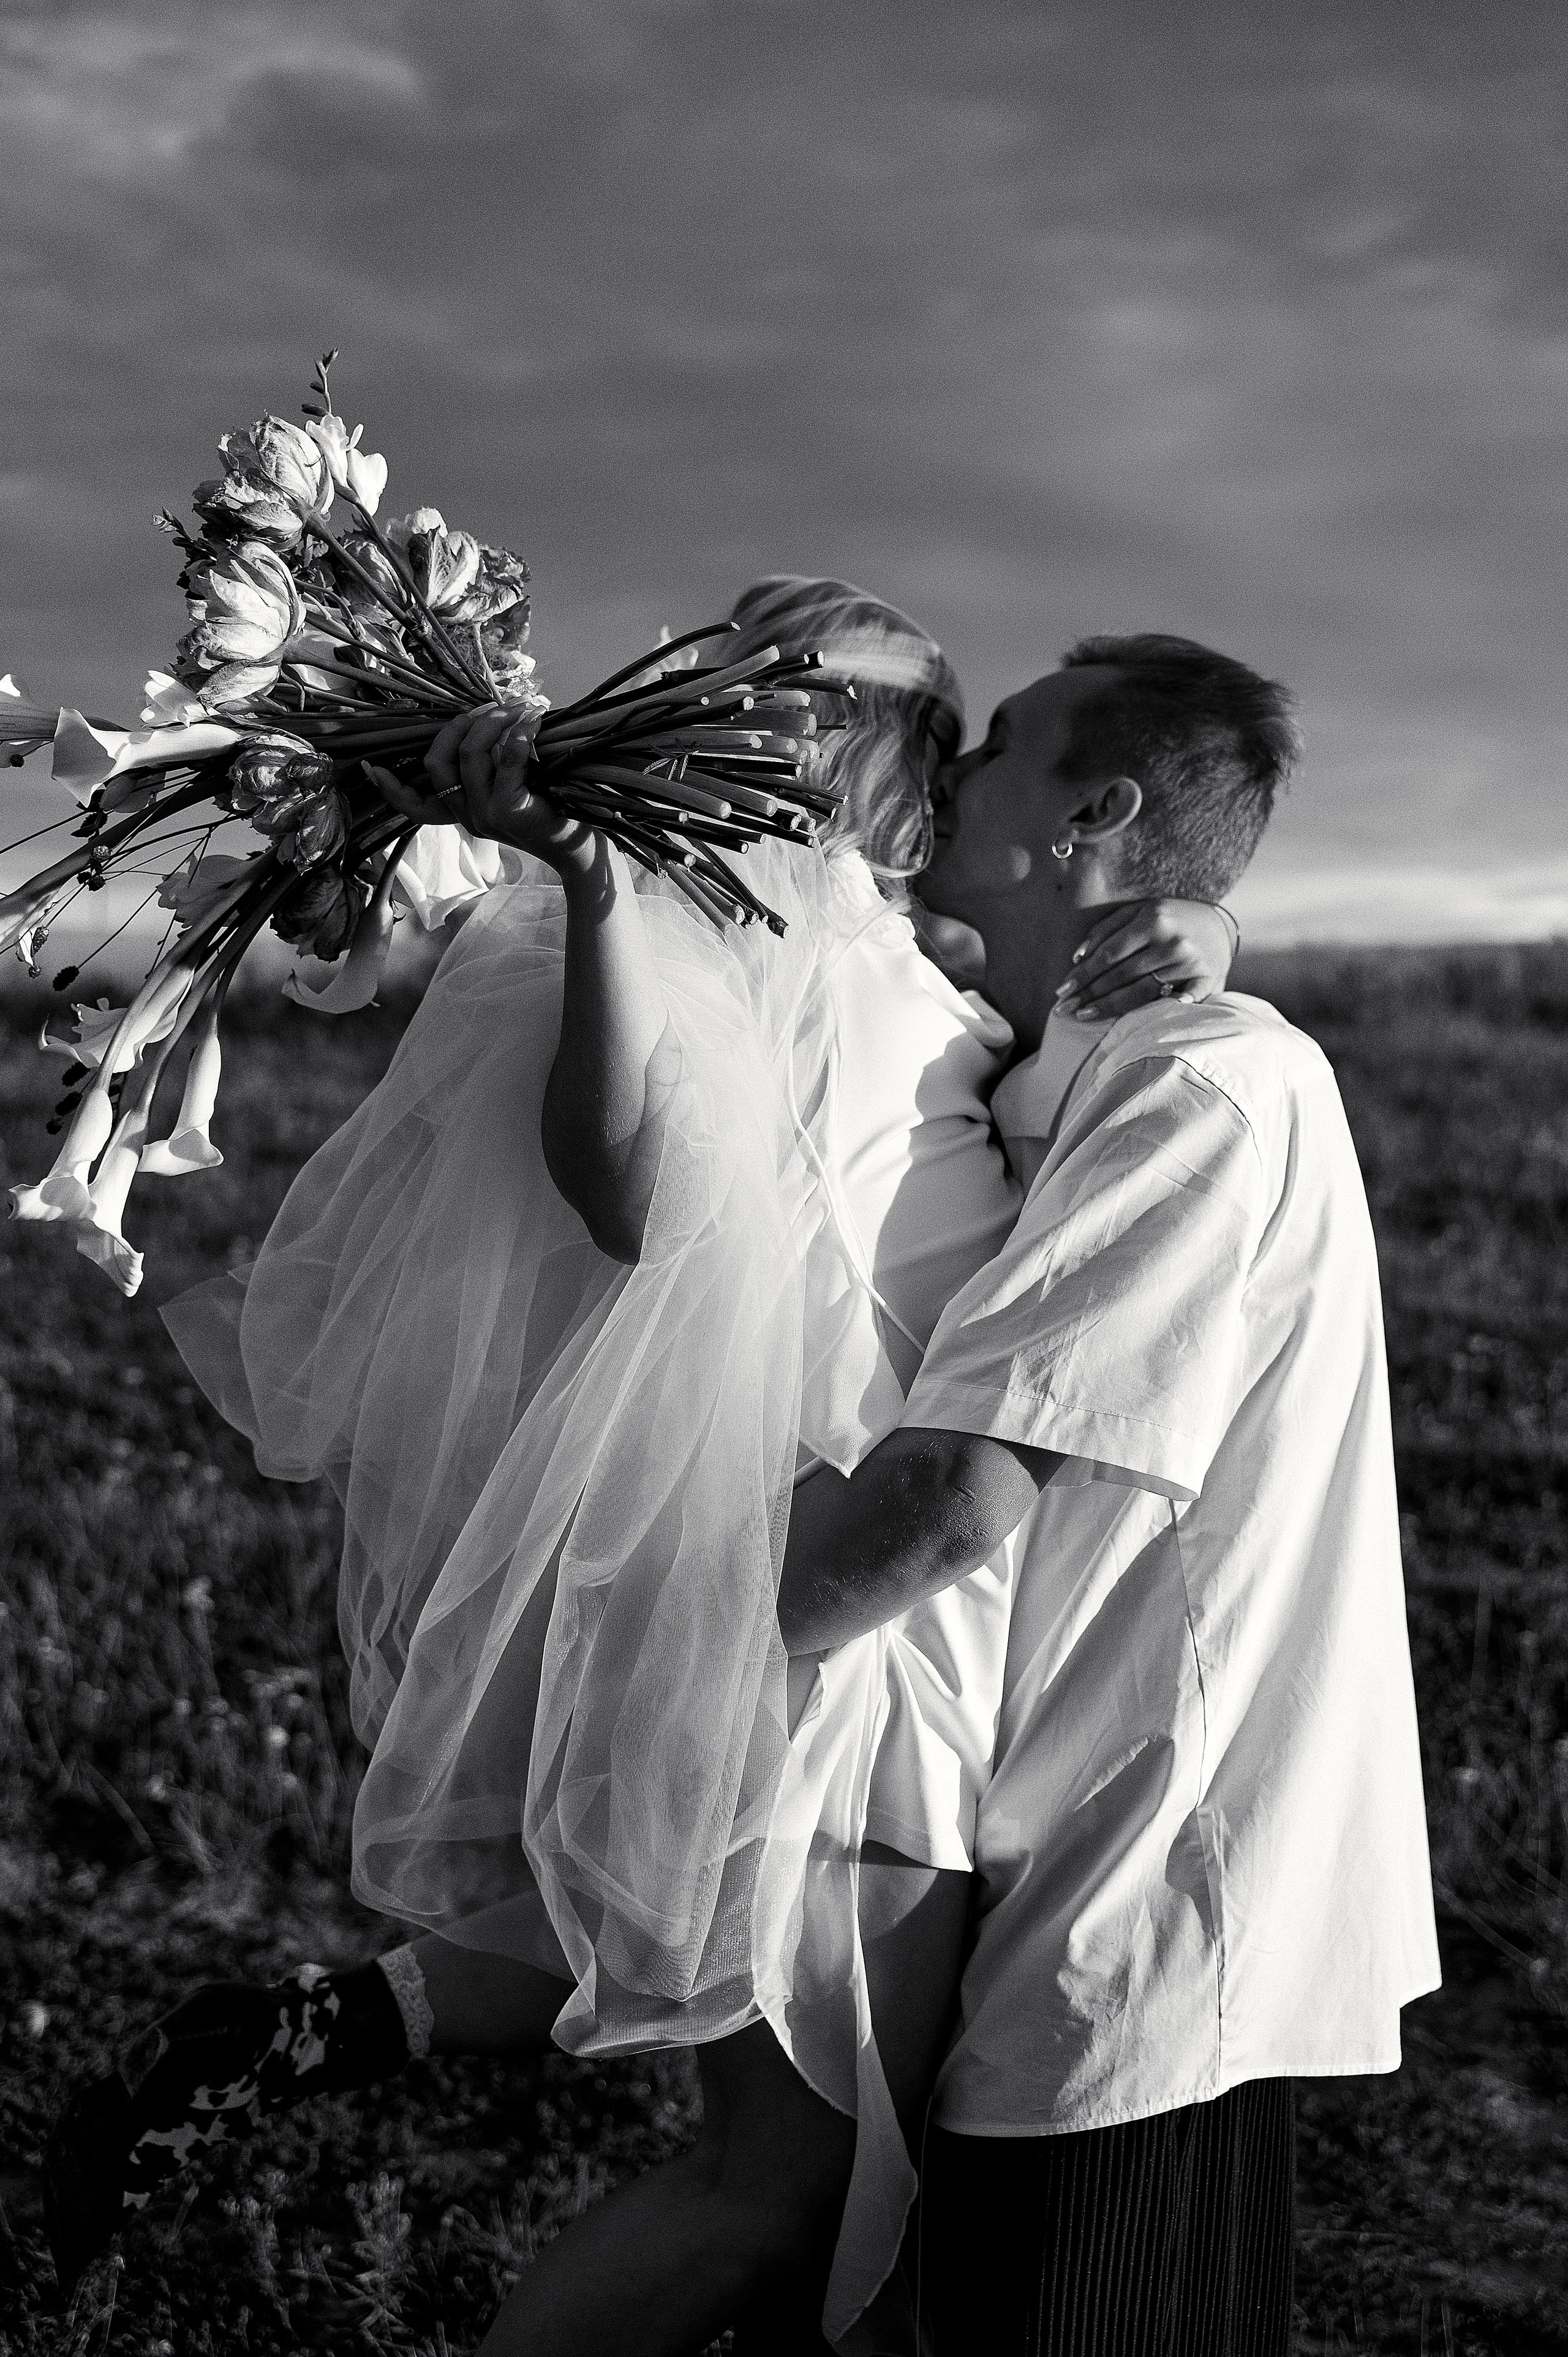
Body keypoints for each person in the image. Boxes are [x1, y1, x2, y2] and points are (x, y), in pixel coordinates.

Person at [43, 585, 1237, 2354]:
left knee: (788, 2101)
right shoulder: (766, 951)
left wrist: (1192, 929)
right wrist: (599, 887)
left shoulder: (879, 963)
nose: (944, 776)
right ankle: (326, 2040)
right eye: (925, 739)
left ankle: (307, 2027)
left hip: (822, 1579)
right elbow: (637, 1199)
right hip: (844, 1609)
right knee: (784, 2194)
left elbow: (1040, 1025)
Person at [767, 635, 1444, 2352]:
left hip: (1147, 1903)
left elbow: (959, 1498)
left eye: (996, 745)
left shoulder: (1202, 1084)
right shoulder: (1094, 1054)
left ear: (1098, 811)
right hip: (1069, 1862)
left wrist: (669, 1667)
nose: (954, 768)